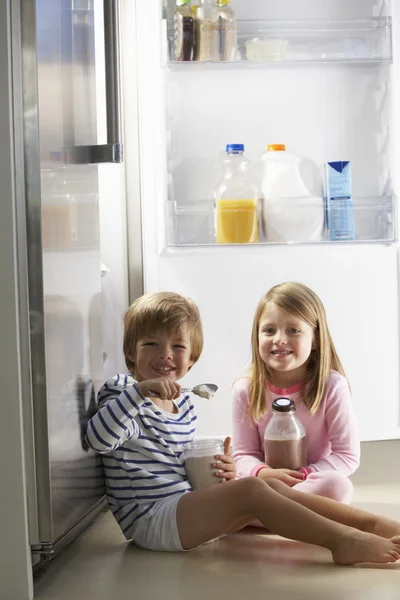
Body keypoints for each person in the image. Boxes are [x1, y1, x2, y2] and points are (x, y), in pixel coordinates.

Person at [86, 291, 400, 565]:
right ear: (130, 351)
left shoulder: (184, 406)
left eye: (178, 347)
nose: (166, 354)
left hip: (180, 508)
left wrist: (219, 471)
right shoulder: (123, 392)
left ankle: (374, 525)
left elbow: (177, 468)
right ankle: (342, 541)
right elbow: (99, 439)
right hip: (151, 520)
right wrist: (138, 392)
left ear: (192, 359)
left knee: (269, 488)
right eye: (151, 344)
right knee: (251, 489)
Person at [232, 282, 359, 504]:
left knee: (337, 487)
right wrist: (263, 473)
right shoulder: (245, 389)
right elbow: (243, 455)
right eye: (269, 330)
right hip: (265, 485)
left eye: (293, 330)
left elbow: (346, 456)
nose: (279, 339)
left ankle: (268, 512)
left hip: (310, 482)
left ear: (316, 339)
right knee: (221, 482)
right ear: (257, 336)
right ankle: (285, 512)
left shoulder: (332, 386)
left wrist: (304, 476)